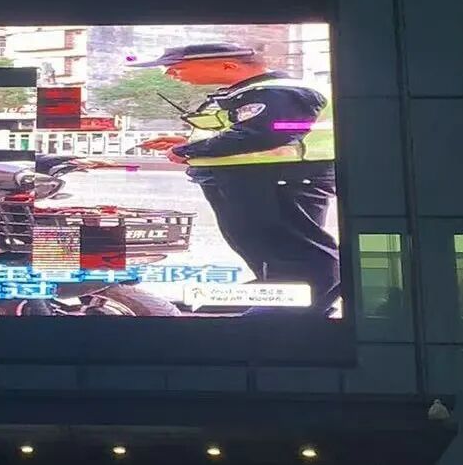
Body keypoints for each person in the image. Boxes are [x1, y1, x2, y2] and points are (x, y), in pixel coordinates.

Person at [132, 42, 339, 316]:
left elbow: (269, 133)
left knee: (293, 248)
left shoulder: (280, 91)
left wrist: (187, 151)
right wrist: (187, 141)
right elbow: (244, 130)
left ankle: (293, 310)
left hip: (279, 180)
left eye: (176, 68)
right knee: (262, 247)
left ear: (228, 65)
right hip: (252, 180)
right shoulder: (250, 92)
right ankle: (286, 300)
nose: (170, 75)